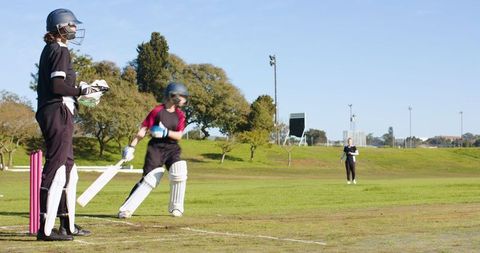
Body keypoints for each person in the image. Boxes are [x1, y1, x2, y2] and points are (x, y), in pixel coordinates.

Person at [35, 8, 100, 241]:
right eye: (72, 25)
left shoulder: (51, 49)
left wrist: (81, 91)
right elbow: (58, 87)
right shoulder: (59, 49)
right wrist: (82, 90)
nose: (75, 29)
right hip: (57, 110)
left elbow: (60, 85)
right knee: (56, 169)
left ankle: (66, 225)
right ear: (60, 27)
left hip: (55, 110)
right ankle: (44, 228)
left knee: (69, 170)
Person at [118, 82, 189, 219]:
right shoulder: (157, 111)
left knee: (179, 169)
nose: (184, 100)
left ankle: (177, 207)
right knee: (149, 178)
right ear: (173, 96)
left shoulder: (180, 115)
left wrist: (165, 132)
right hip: (156, 148)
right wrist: (131, 147)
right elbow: (143, 130)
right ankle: (126, 209)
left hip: (172, 148)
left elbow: (179, 135)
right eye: (182, 97)